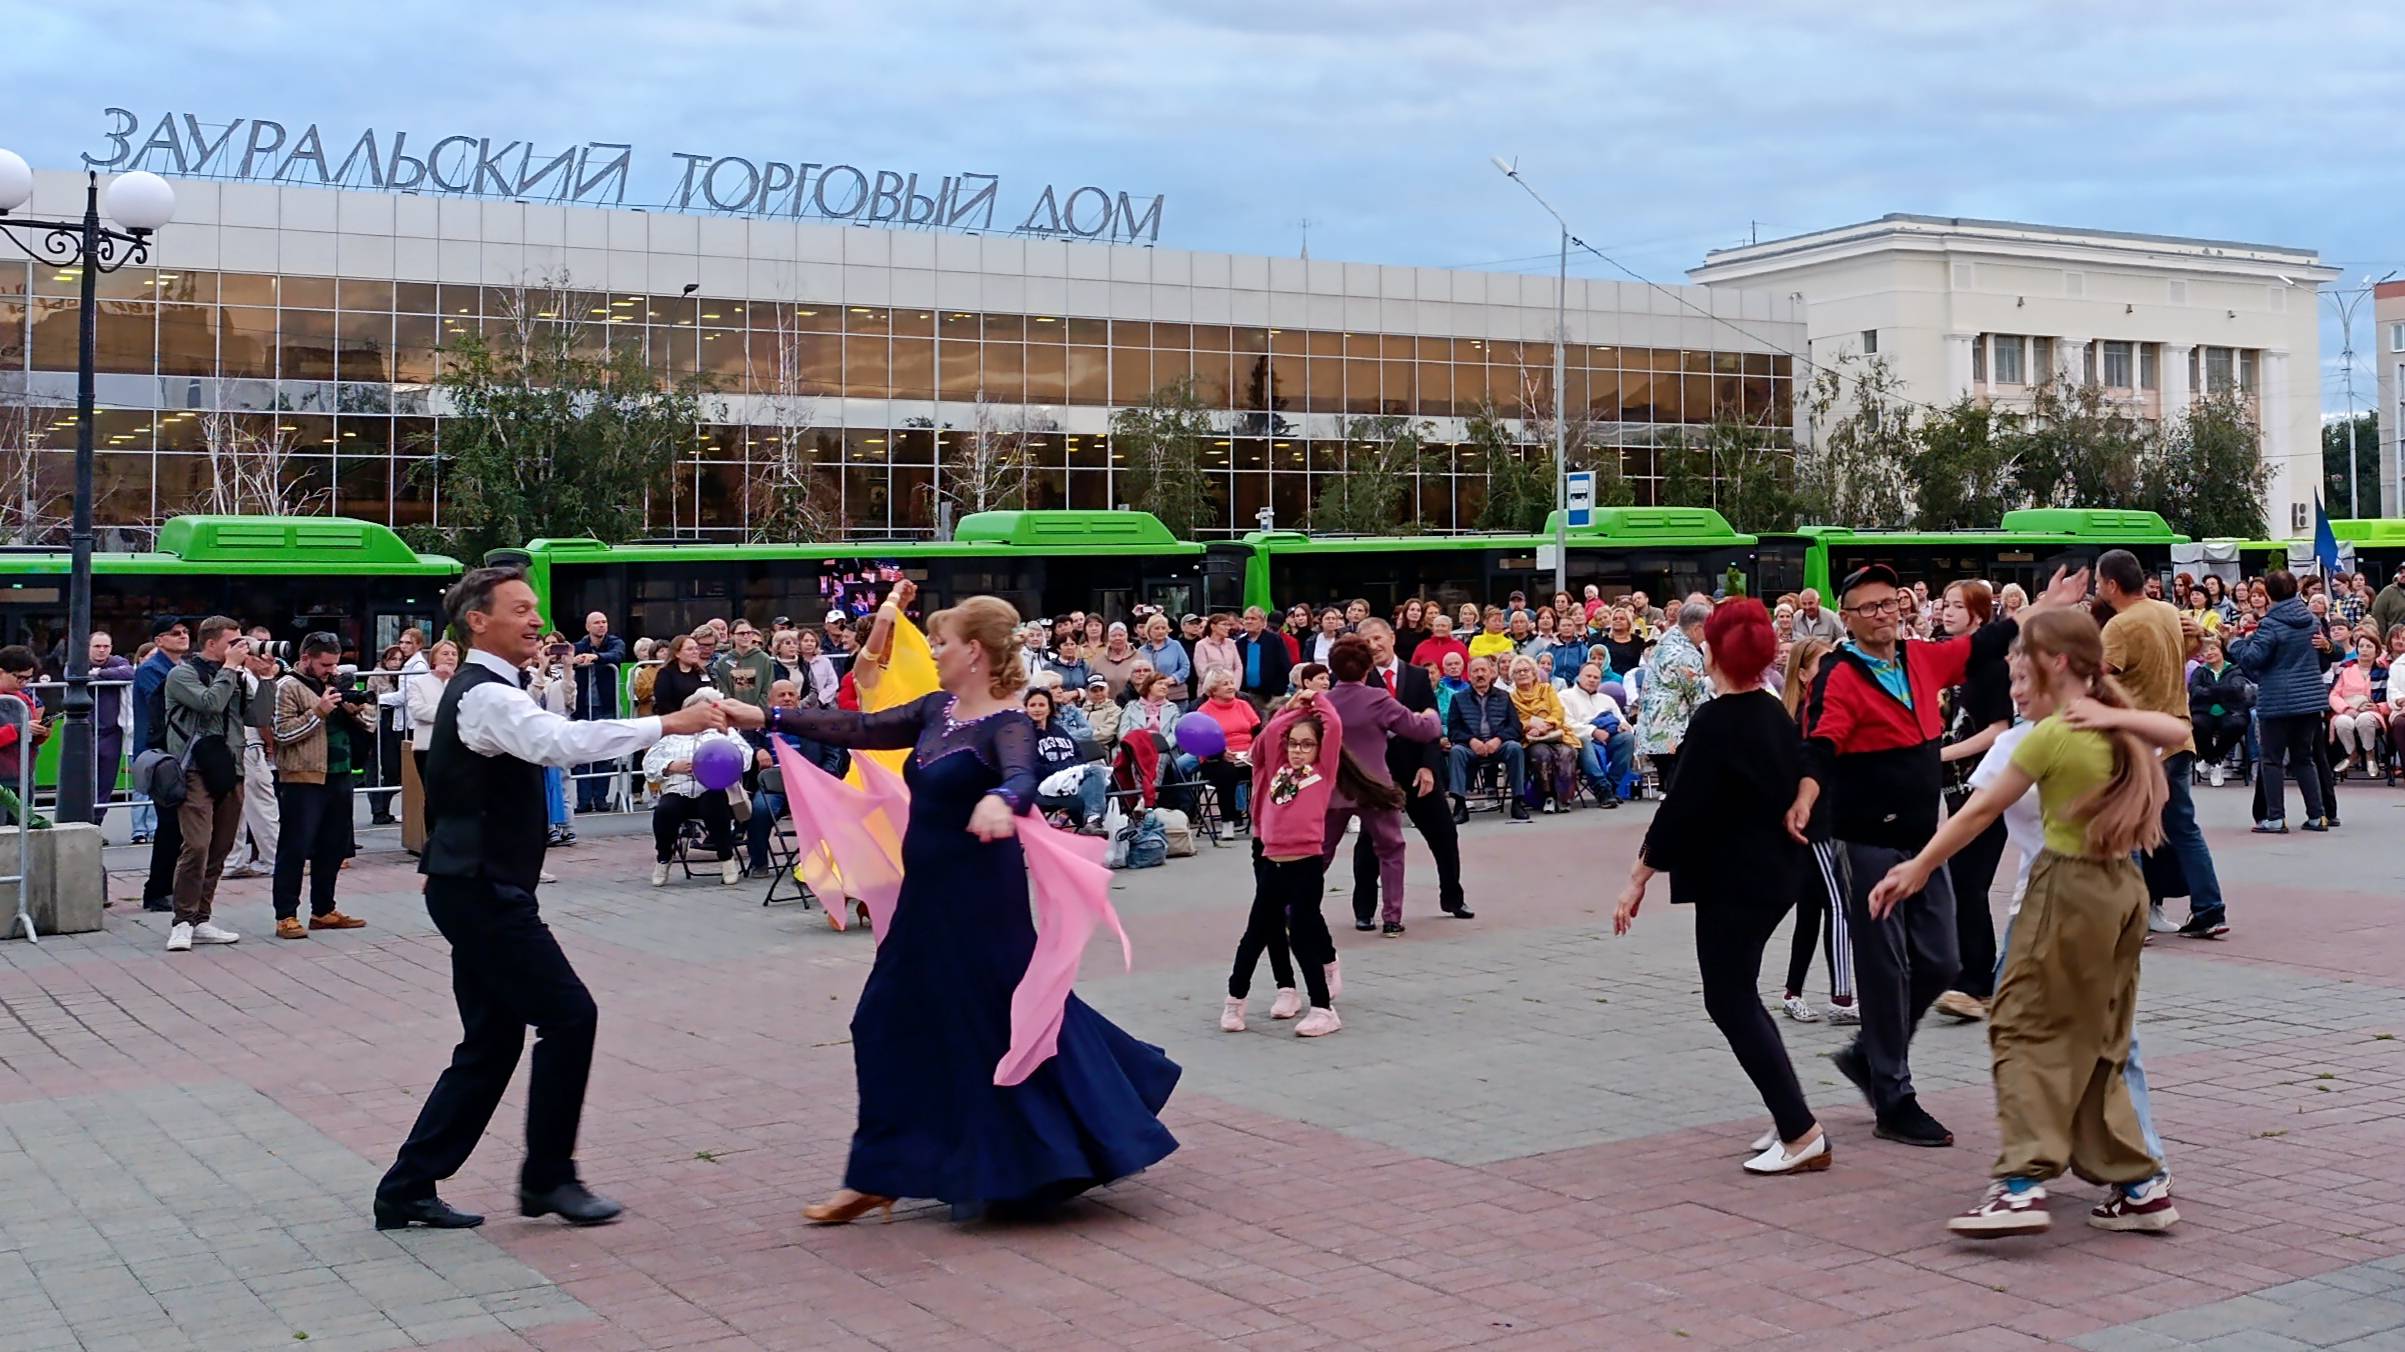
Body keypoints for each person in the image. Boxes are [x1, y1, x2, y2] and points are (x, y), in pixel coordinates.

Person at [738, 595, 1180, 1224]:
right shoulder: (935, 711)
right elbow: (861, 728)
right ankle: (880, 1172)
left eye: (942, 643)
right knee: (882, 1020)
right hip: (925, 900)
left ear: (974, 652)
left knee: (1001, 1021)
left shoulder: (1007, 723)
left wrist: (1003, 797)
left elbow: (1023, 775)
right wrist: (766, 715)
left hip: (981, 906)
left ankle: (1060, 1140)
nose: (933, 652)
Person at [376, 569, 731, 1232]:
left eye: (536, 608)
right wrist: (666, 723)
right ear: (478, 620)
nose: (536, 619)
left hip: (473, 884)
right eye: (521, 609)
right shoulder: (485, 696)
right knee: (569, 1017)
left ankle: (407, 1187)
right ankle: (547, 1178)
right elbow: (559, 746)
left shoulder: (498, 690)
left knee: (491, 1041)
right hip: (481, 888)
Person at [1869, 610, 2181, 1237]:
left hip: (2065, 888)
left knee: (2017, 1030)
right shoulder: (2117, 730)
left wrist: (1920, 867)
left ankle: (2021, 1186)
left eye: (2019, 672)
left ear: (2057, 665)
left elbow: (1979, 812)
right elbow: (2175, 726)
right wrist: (2116, 714)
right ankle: (2141, 1185)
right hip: (2123, 892)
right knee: (2102, 1040)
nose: (2013, 687)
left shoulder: (2046, 735)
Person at [1789, 562, 2082, 1149]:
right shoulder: (1841, 675)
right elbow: (1821, 742)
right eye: (1869, 608)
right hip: (1867, 839)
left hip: (1923, 838)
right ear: (1846, 618)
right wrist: (1805, 792)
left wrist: (2044, 605)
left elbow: (1987, 642)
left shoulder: (1920, 658)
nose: (1884, 615)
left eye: (1890, 604)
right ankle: (1893, 1096)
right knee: (1884, 966)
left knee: (1943, 960)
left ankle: (1871, 1057)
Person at [1615, 599, 1827, 1176]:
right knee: (1739, 994)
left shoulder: (1716, 720)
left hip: (1739, 879)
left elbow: (1681, 808)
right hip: (1772, 875)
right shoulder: (1768, 709)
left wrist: (1638, 877)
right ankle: (1790, 1114)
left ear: (1718, 653)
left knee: (1728, 997)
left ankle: (1800, 1129)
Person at [1225, 692, 1354, 1036]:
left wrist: (1318, 702)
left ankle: (1323, 1009)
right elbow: (1269, 737)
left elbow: (1335, 726)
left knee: (1302, 933)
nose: (1298, 750)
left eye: (1306, 745)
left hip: (1306, 864)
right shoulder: (1275, 770)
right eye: (1294, 744)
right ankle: (1235, 1001)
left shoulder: (1321, 773)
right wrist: (1291, 708)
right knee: (1255, 933)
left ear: (1318, 749)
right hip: (1272, 863)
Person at [1321, 635, 1442, 937]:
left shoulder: (1323, 703)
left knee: (1319, 852)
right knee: (1390, 850)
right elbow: (1419, 729)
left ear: (1333, 668)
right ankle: (1392, 918)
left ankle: (1290, 910)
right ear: (1367, 668)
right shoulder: (1377, 698)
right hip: (1375, 787)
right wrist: (1431, 716)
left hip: (1334, 787)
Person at [1932, 581, 2013, 1023]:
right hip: (1953, 791)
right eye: (1945, 604)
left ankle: (1975, 984)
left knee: (1967, 882)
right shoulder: (1948, 663)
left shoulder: (1991, 667)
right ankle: (1966, 976)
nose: (1947, 612)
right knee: (1959, 883)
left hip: (1987, 788)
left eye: (1957, 606)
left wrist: (1940, 753)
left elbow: (1999, 730)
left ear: (1979, 615)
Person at [1354, 619, 1465, 922]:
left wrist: (1429, 767)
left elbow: (1430, 725)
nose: (1373, 646)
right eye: (1366, 643)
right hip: (1379, 776)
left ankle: (1453, 898)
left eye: (1377, 638)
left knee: (1444, 834)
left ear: (1391, 637)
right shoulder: (1360, 682)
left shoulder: (1417, 677)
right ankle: (1364, 910)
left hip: (1419, 771)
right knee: (1370, 843)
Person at [269, 632, 373, 940]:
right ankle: (285, 915)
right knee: (295, 847)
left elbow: (370, 722)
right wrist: (320, 711)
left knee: (333, 846)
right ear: (305, 659)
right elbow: (282, 734)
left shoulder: (338, 684)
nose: (331, 670)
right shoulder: (288, 686)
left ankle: (323, 910)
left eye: (335, 664)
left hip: (340, 773)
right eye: (325, 664)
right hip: (304, 777)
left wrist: (355, 708)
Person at [163, 617, 254, 952]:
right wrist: (231, 669)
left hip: (231, 767)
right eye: (233, 642)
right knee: (197, 845)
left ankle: (201, 918)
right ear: (212, 643)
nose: (240, 648)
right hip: (195, 769)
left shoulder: (234, 674)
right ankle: (182, 921)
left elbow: (256, 716)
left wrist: (267, 679)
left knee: (220, 846)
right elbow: (209, 704)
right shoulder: (182, 674)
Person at [1777, 638, 1855, 1026]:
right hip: (1819, 820)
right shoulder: (1803, 714)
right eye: (1824, 664)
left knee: (1813, 907)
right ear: (1804, 675)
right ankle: (1842, 997)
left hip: (1826, 816)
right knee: (1840, 903)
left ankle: (1793, 992)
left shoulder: (1819, 708)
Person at [2225, 569, 2332, 833]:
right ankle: (2318, 816)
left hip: (2278, 700)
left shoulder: (2271, 624)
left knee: (2271, 759)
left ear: (2269, 594)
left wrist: (2233, 642)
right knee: (2303, 758)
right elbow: (2323, 655)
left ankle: (2275, 817)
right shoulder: (2310, 620)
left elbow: (2252, 658)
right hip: (2309, 699)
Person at [643, 689, 742, 887]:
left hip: (712, 789)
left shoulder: (725, 733)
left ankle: (726, 858)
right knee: (665, 810)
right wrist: (671, 766)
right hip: (679, 789)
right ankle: (663, 857)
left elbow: (743, 758)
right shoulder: (672, 735)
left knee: (714, 804)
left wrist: (714, 765)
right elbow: (649, 764)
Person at [219, 632, 284, 880]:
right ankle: (274, 858)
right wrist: (272, 744)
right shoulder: (247, 678)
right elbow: (262, 717)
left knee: (236, 809)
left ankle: (232, 861)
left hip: (236, 747)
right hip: (250, 747)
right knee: (263, 805)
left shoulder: (233, 676)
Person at [1635, 601, 1711, 791]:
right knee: (1681, 790)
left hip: (1651, 731)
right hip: (1674, 735)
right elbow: (1698, 699)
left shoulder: (1665, 640)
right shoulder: (1687, 654)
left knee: (1670, 789)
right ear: (1696, 628)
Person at [1446, 655, 1528, 824]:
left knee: (1515, 748)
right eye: (1475, 671)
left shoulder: (1504, 696)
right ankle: (1460, 805)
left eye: (1484, 670)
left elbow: (1515, 727)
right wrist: (1471, 741)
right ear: (1469, 676)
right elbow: (1454, 730)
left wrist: (1498, 739)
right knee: (1456, 752)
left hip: (1498, 745)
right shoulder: (1458, 698)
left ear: (1492, 673)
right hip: (1470, 747)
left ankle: (1518, 802)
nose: (1480, 674)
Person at [131, 615, 188, 856]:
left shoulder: (183, 668)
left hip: (178, 751)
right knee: (168, 824)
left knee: (179, 824)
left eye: (185, 631)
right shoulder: (150, 669)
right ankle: (159, 887)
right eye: (176, 633)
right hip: (159, 752)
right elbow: (170, 705)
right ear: (159, 640)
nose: (184, 635)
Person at [742, 680, 807, 874]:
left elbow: (832, 755)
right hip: (773, 785)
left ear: (798, 699)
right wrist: (757, 750)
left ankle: (816, 862)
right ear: (770, 702)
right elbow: (742, 745)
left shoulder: (813, 723)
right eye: (782, 695)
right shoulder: (757, 725)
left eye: (791, 694)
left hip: (808, 784)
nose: (787, 698)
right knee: (760, 811)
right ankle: (759, 862)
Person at [1027, 686, 1108, 830]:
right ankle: (1093, 819)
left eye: (1041, 704)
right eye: (1032, 705)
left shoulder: (1059, 730)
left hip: (1068, 781)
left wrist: (1071, 770)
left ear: (1049, 708)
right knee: (1095, 774)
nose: (1037, 709)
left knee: (1101, 782)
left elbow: (1077, 754)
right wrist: (1066, 769)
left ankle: (1088, 825)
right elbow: (1034, 767)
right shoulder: (1025, 734)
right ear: (1026, 709)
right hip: (1044, 786)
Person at [1188, 669, 1261, 829]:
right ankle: (1229, 819)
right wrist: (1221, 753)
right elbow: (1202, 742)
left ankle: (1265, 816)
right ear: (1213, 690)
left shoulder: (1243, 705)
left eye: (1231, 683)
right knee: (1227, 772)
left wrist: (1254, 749)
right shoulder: (1204, 711)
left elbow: (1258, 731)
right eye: (1225, 684)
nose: (1231, 687)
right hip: (1215, 759)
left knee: (1267, 768)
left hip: (1246, 757)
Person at [1507, 654, 1579, 814]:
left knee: (1566, 752)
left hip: (1553, 732)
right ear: (1513, 677)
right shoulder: (1511, 698)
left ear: (1534, 673)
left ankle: (1564, 798)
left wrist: (1546, 725)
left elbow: (1558, 711)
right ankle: (1548, 796)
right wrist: (1529, 727)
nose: (1523, 674)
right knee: (1541, 754)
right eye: (1518, 672)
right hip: (1531, 739)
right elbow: (1514, 721)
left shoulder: (1547, 689)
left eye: (1526, 670)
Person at [571, 610, 628, 814]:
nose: (601, 625)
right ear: (588, 627)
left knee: (605, 754)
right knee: (583, 754)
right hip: (582, 707)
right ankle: (584, 801)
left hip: (607, 706)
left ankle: (601, 799)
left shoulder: (615, 642)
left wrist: (595, 657)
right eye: (596, 622)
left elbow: (618, 655)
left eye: (604, 621)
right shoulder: (578, 646)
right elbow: (566, 659)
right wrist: (575, 661)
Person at [1559, 661, 1632, 808]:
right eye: (1588, 676)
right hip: (1581, 743)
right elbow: (1565, 724)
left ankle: (1611, 787)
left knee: (1628, 738)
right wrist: (1593, 731)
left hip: (1609, 739)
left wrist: (1625, 726)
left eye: (1596, 677)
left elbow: (1623, 722)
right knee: (1584, 740)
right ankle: (1601, 788)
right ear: (1579, 676)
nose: (1592, 680)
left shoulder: (1607, 699)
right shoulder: (1564, 696)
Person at [0, 647, 48, 826]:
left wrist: (41, 733)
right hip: (4, 775)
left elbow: (29, 739)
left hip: (23, 773)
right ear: (1, 672)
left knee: (21, 827)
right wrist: (20, 729)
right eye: (19, 677)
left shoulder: (24, 698)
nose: (24, 683)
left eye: (28, 678)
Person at [88, 632, 132, 823]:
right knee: (84, 778)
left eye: (106, 646)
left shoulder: (116, 661)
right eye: (97, 646)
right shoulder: (77, 662)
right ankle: (83, 821)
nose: (102, 650)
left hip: (111, 731)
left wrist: (99, 674)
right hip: (85, 730)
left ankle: (97, 822)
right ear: (88, 647)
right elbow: (72, 675)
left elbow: (129, 672)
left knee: (106, 781)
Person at [651, 634, 714, 718]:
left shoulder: (702, 672)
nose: (695, 652)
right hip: (676, 720)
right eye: (690, 649)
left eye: (696, 648)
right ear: (677, 653)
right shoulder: (666, 674)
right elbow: (663, 704)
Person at [1137, 614, 1191, 705]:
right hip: (1150, 698)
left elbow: (1185, 666)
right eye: (1157, 628)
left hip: (1176, 696)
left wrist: (1172, 679)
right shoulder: (1142, 651)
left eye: (1163, 628)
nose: (1160, 631)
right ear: (1149, 630)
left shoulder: (1175, 645)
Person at [1191, 613, 1241, 690]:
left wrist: (1234, 686)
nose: (1228, 628)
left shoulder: (1231, 643)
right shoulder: (1201, 645)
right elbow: (1202, 672)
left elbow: (1238, 667)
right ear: (1213, 626)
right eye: (1224, 624)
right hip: (1211, 692)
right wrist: (1220, 688)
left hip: (1232, 691)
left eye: (1229, 625)